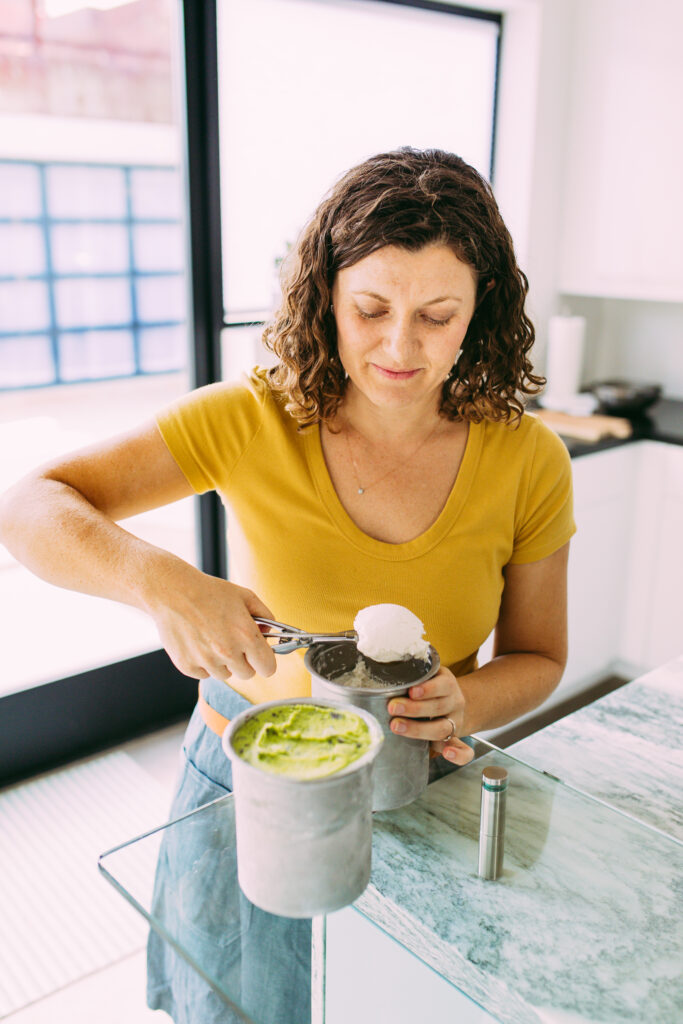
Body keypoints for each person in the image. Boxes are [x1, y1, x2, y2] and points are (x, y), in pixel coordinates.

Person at [0, 147, 575, 1022]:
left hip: (429, 785)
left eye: (436, 315)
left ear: (479, 312)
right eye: (371, 308)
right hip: (249, 786)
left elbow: (537, 656)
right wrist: (160, 581)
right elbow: (30, 506)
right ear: (326, 296)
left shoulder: (529, 459)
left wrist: (470, 701)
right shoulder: (250, 415)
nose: (397, 346)